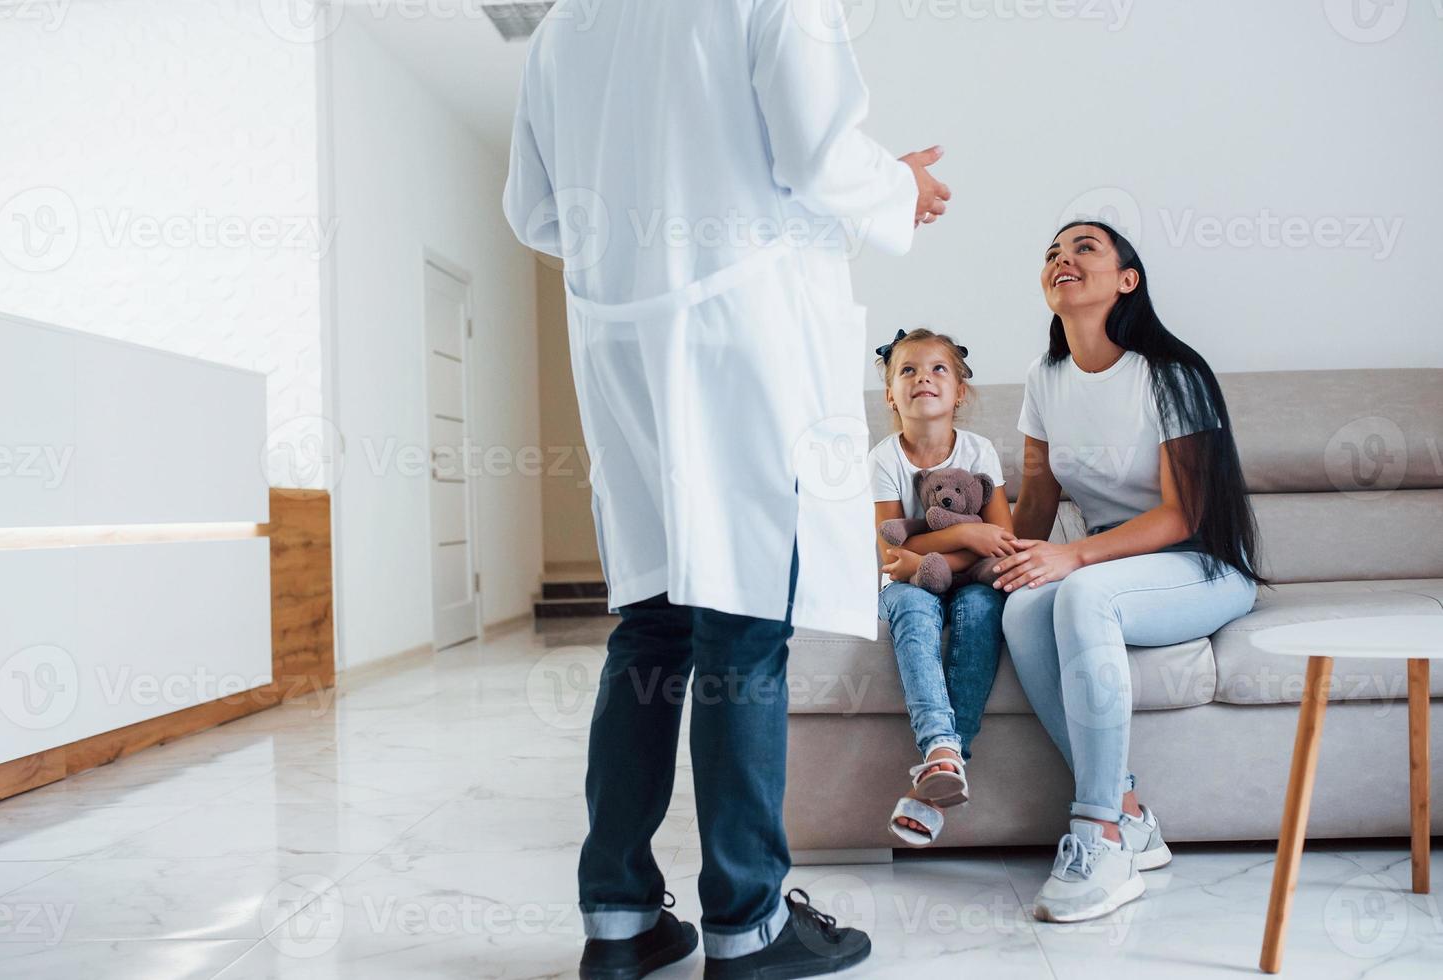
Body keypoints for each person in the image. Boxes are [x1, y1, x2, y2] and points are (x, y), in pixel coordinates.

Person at [502, 0, 950, 976]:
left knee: (652, 618)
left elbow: (532, 213)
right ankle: (746, 926)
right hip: (738, 335)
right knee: (743, 618)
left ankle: (617, 916)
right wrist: (899, 185)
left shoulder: (561, 27)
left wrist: (641, 243)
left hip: (620, 344)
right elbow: (823, 155)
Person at [994, 220, 1265, 923]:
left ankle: (1099, 836)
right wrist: (980, 557)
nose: (1062, 259)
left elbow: (1182, 515)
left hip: (1198, 561)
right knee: (1023, 606)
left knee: (1079, 592)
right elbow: (1035, 507)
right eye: (1051, 251)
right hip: (1111, 561)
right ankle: (1128, 811)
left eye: (1084, 248)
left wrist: (1073, 554)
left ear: (1126, 280)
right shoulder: (1042, 380)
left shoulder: (1172, 374)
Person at [868, 329, 1012, 846]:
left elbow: (1001, 543)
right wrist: (963, 533)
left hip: (971, 578)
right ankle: (943, 750)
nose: (922, 377)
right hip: (910, 585)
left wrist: (943, 553)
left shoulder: (979, 450)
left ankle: (940, 773)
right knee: (907, 601)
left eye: (937, 370)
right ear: (890, 394)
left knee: (980, 609)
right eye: (907, 370)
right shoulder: (885, 458)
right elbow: (891, 555)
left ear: (959, 394)